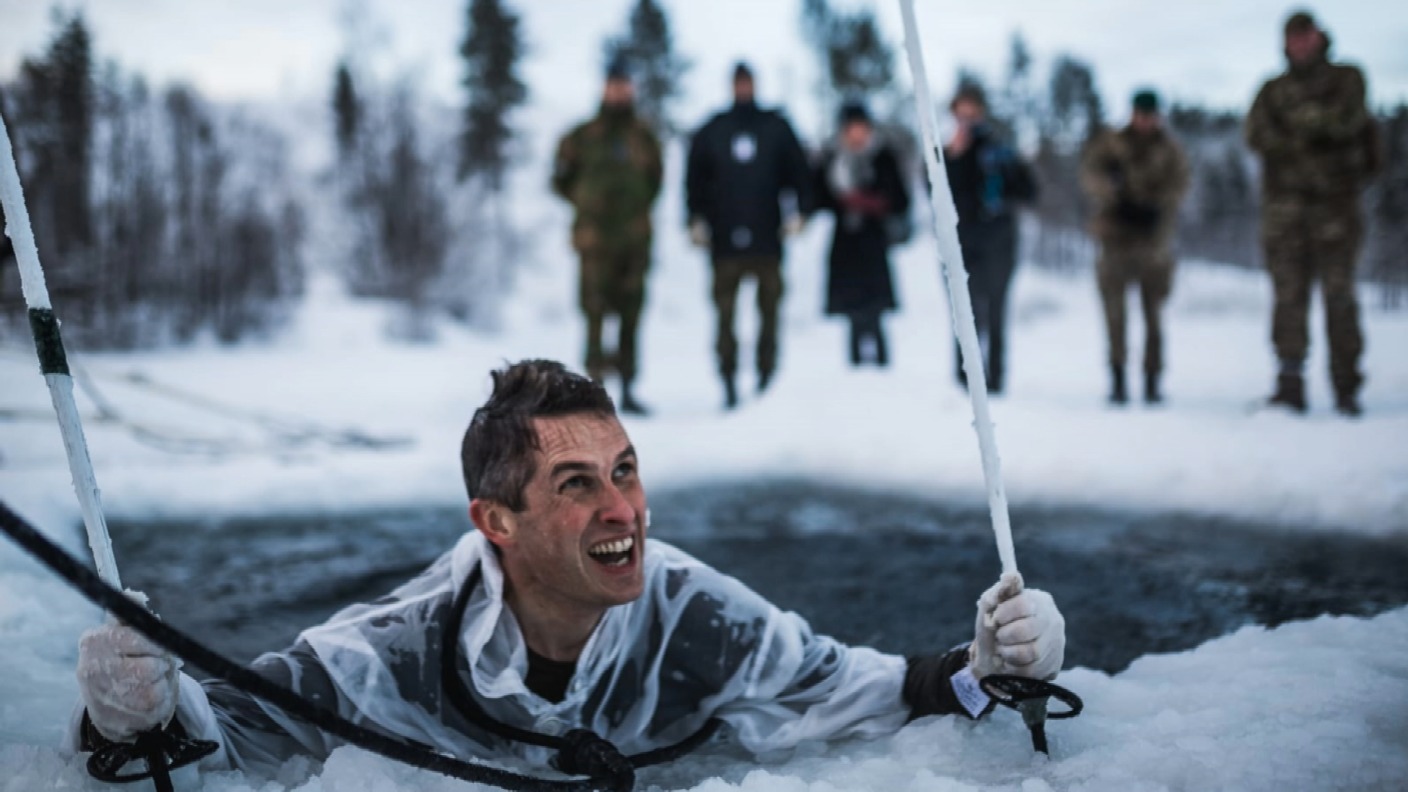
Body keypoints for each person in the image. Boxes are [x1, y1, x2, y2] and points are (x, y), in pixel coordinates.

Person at [70, 359, 1067, 782]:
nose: (622, 510)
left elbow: (878, 692)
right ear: (495, 521)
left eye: (626, 470)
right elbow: (230, 731)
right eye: (578, 483)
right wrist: (135, 707)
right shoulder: (399, 649)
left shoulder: (699, 617)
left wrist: (990, 661)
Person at [1246, 10, 1381, 416]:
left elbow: (1350, 122)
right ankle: (1290, 384)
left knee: (1339, 297)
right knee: (1288, 297)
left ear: (1320, 37)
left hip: (1336, 211)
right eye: (1293, 37)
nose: (1301, 44)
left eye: (1306, 36)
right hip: (1285, 214)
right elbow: (1257, 135)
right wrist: (1316, 130)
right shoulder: (1272, 90)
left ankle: (1346, 386)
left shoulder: (1346, 79)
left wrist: (1300, 129)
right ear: (1285, 43)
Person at [686, 62, 813, 409]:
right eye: (738, 82)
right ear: (731, 85)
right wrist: (695, 218)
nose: (743, 88)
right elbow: (694, 176)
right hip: (724, 241)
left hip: (767, 239)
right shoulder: (714, 128)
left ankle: (766, 379)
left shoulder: (775, 127)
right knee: (725, 315)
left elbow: (799, 171)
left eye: (748, 82)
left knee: (769, 313)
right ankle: (727, 379)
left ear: (755, 84)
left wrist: (801, 211)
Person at [552, 59, 664, 415]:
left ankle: (629, 387)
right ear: (604, 88)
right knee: (595, 314)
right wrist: (588, 204)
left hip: (633, 243)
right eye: (613, 84)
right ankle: (593, 393)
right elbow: (560, 179)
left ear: (631, 88)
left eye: (624, 84)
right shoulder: (583, 136)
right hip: (595, 244)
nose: (618, 90)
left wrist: (631, 213)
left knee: (631, 316)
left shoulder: (644, 137)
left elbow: (655, 183)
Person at [1080, 89, 1190, 405]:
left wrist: (1153, 206)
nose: (1144, 121)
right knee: (1115, 315)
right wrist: (1113, 191)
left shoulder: (1169, 149)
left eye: (1150, 115)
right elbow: (1090, 175)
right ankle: (1117, 379)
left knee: (1153, 314)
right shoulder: (1111, 143)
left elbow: (1181, 185)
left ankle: (1153, 380)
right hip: (1114, 239)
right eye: (1140, 114)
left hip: (1153, 242)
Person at [943, 84, 1037, 395]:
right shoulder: (945, 152)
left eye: (972, 110)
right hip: (962, 244)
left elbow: (1029, 191)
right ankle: (964, 380)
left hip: (999, 241)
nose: (967, 118)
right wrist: (953, 157)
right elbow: (934, 191)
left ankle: (996, 379)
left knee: (996, 311)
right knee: (964, 313)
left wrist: (1004, 180)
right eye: (961, 111)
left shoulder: (1001, 149)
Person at [813, 101, 911, 367]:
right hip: (845, 244)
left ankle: (881, 371)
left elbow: (901, 200)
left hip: (874, 244)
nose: (856, 134)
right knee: (852, 314)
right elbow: (816, 198)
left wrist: (873, 203)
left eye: (861, 128)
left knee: (875, 313)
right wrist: (843, 201)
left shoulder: (883, 157)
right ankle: (856, 375)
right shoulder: (832, 159)